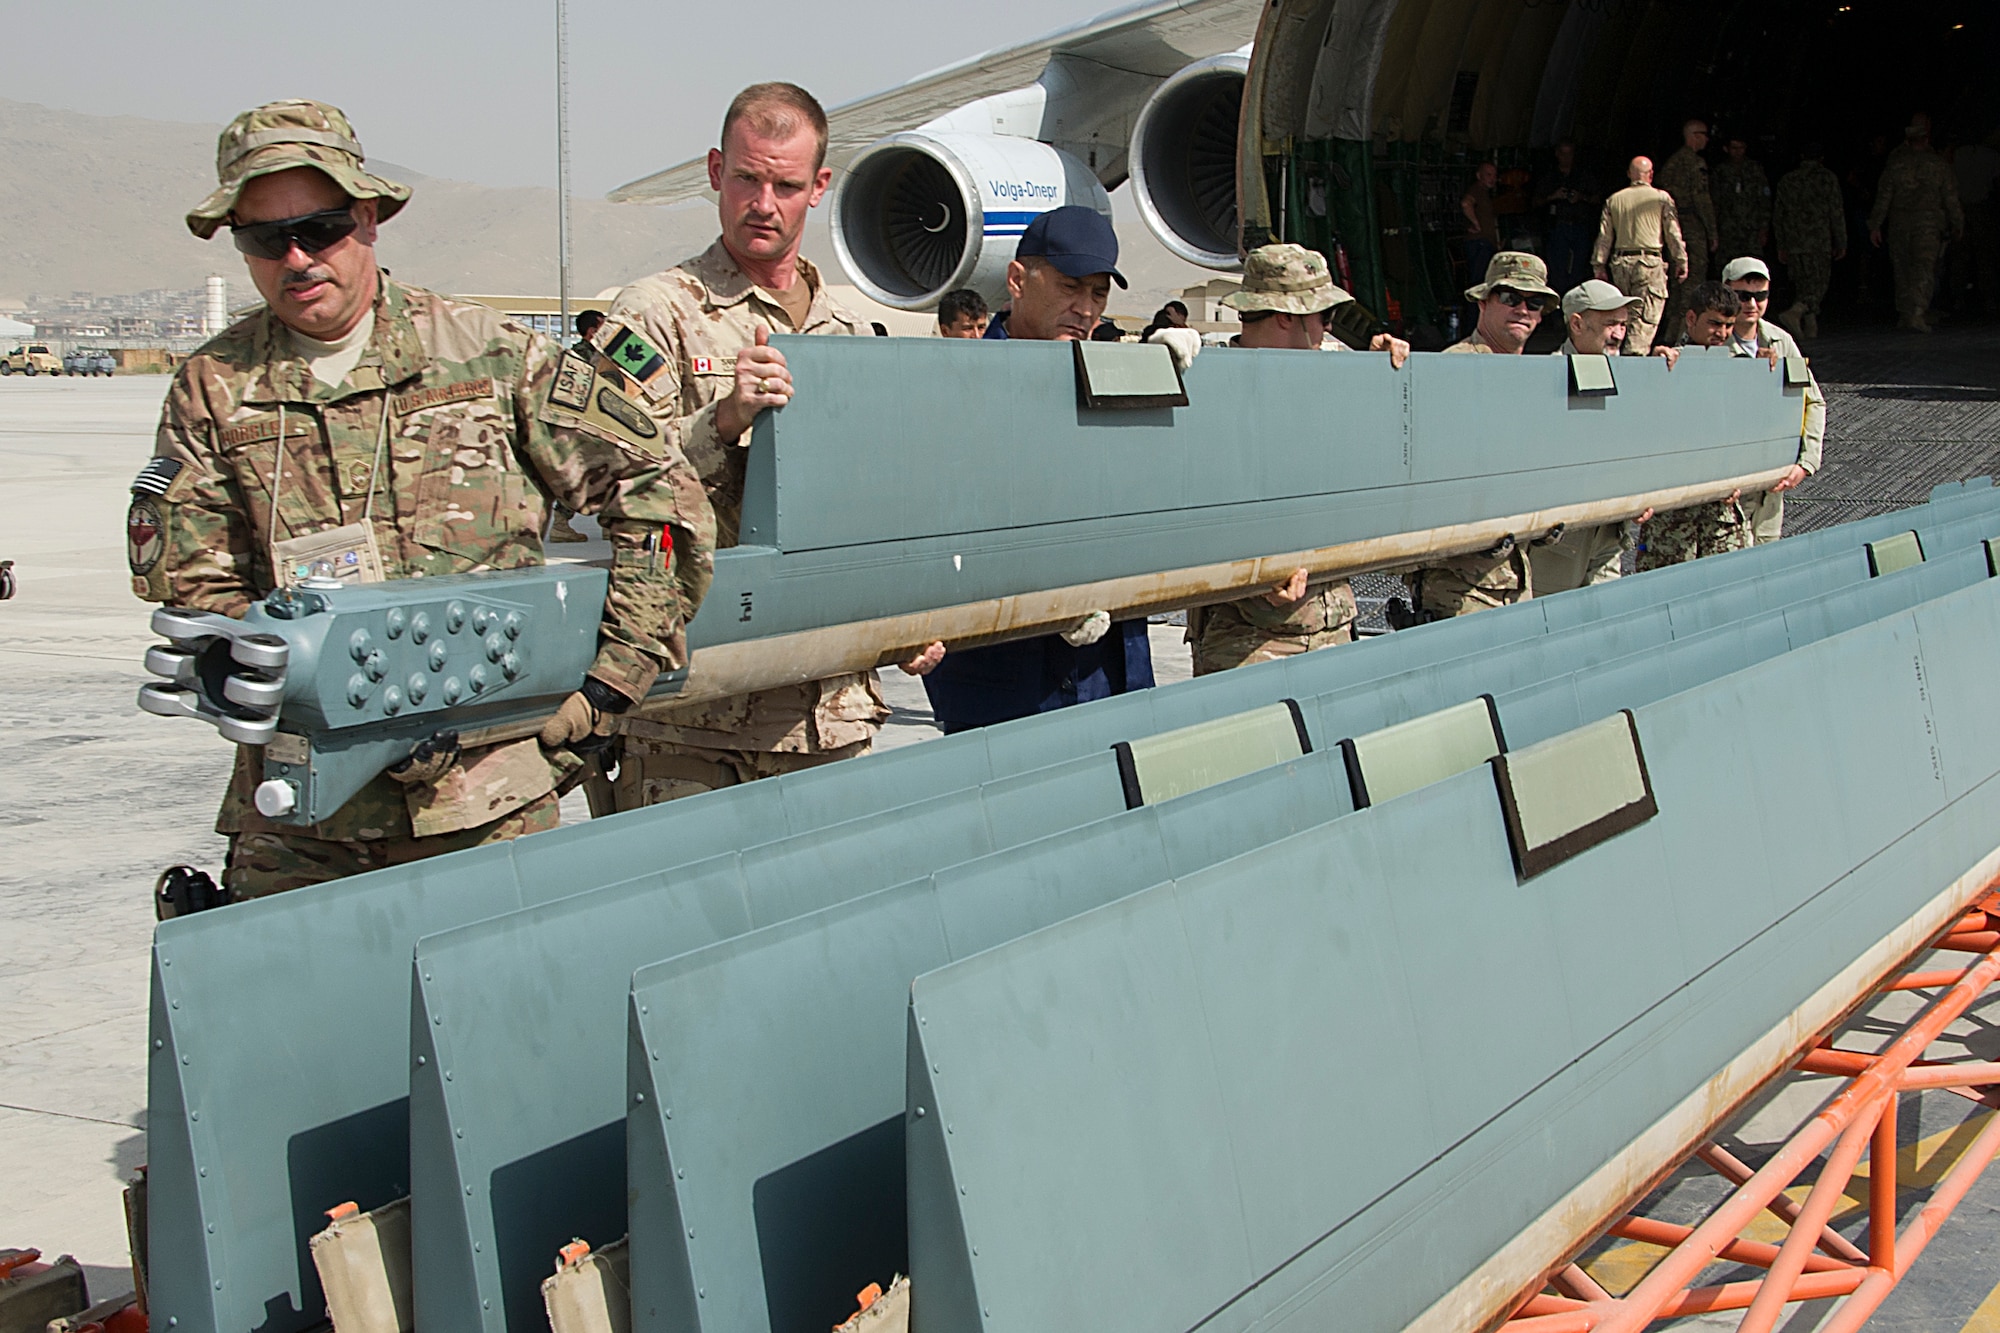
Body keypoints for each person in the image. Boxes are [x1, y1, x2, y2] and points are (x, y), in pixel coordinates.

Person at [136, 100, 715, 897]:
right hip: (303, 820)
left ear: (369, 217)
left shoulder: (490, 357)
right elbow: (195, 585)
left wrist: (613, 680)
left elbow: (657, 493)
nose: (299, 257)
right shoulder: (213, 389)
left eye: (323, 228)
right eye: (268, 239)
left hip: (490, 804)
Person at [593, 83, 940, 806]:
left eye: (785, 185)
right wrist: (720, 421)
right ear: (716, 171)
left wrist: (911, 615)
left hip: (828, 716)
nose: (763, 203)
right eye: (748, 178)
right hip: (695, 718)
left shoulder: (849, 331)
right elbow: (597, 480)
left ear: (818, 188)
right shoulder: (654, 314)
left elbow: (871, 507)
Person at [920, 206, 1155, 730]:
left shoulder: (1117, 383)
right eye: (1071, 286)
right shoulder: (955, 389)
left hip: (1108, 676)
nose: (1085, 308)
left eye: (1098, 294)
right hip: (1003, 682)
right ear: (1018, 279)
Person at [1180, 244, 1409, 675]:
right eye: (1325, 317)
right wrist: (1247, 576)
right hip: (1243, 639)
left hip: (1332, 624)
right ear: (1288, 315)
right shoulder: (1205, 383)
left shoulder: (1334, 369)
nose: (1328, 329)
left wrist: (1382, 371)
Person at [1396, 252, 1559, 621]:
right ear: (1484, 301)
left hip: (1514, 577)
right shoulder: (1452, 371)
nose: (1523, 309)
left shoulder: (1534, 380)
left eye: (1534, 303)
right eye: (1510, 298)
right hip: (1457, 586)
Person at [1534, 281, 1679, 592]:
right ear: (1577, 323)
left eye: (1624, 324)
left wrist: (1660, 372)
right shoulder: (1546, 378)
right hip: (1562, 538)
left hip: (1612, 533)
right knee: (1554, 622)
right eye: (1610, 323)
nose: (1619, 334)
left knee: (1604, 623)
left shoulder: (1630, 373)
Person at [1637, 282, 1751, 569]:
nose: (1722, 333)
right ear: (1691, 319)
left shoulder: (1741, 367)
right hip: (1673, 518)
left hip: (1721, 517)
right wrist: (1652, 374)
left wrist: (1764, 374)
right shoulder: (1665, 363)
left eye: (1728, 325)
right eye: (1714, 323)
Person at [1722, 257, 1822, 542]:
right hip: (1730, 485)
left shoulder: (1781, 341)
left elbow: (1813, 401)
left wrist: (1806, 462)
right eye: (1742, 296)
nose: (1752, 304)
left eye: (1760, 295)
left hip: (1771, 482)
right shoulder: (1708, 340)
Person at [1869, 114, 1966, 333]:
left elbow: (1883, 197)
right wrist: (1958, 222)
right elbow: (1950, 197)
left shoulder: (1895, 165)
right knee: (1924, 269)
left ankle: (1905, 313)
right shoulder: (1938, 165)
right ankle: (1917, 313)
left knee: (1902, 269)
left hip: (1899, 224)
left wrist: (1875, 225)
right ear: (1926, 139)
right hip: (1928, 226)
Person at [1593, 155, 1688, 354]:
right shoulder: (1661, 198)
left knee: (1621, 317)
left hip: (1620, 264)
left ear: (1629, 174)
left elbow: (1604, 236)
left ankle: (1616, 357)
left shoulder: (1614, 200)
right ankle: (1634, 361)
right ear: (1651, 175)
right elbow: (1672, 232)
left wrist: (1599, 265)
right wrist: (1681, 259)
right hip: (1649, 264)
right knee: (1645, 319)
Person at [546, 309, 610, 543]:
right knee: (588, 473)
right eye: (604, 326)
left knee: (602, 472)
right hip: (586, 423)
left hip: (587, 422)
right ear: (592, 332)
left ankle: (605, 524)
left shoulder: (577, 355)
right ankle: (562, 524)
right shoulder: (587, 357)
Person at [1772, 144, 1848, 340]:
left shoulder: (1788, 180)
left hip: (1794, 241)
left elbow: (1779, 215)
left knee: (1804, 283)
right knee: (1818, 284)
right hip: (1819, 240)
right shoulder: (1827, 179)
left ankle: (1810, 324)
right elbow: (1836, 211)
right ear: (1821, 158)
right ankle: (1796, 311)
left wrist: (1781, 243)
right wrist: (1841, 240)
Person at [1659, 120, 1718, 336]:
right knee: (1693, 280)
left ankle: (1671, 331)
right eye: (1703, 134)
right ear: (1693, 136)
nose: (1707, 138)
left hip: (1673, 226)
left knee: (1676, 282)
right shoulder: (1695, 163)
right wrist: (1712, 231)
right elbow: (1702, 200)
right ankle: (1683, 333)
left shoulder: (1671, 163)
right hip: (1692, 225)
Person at [1533, 141, 1600, 292]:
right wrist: (1553, 196)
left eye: (1569, 153)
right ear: (1557, 154)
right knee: (1556, 267)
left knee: (1579, 266)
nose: (1566, 157)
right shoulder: (1550, 176)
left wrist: (1581, 197)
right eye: (1563, 153)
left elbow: (1598, 199)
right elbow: (1535, 202)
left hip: (1580, 225)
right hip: (1558, 226)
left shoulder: (1583, 175)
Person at [1947, 129, 2000, 317]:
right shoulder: (1991, 155)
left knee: (1960, 255)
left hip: (1962, 207)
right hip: (1980, 207)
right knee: (1984, 255)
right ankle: (1988, 297)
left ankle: (1958, 297)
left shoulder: (1957, 155)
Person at [1712, 136, 1771, 267]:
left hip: (1752, 228)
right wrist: (1714, 230)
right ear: (1726, 149)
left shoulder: (1755, 169)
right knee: (1727, 266)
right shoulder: (1720, 171)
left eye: (1741, 148)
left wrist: (1764, 228)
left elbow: (1764, 200)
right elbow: (1715, 201)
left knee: (1752, 265)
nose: (1738, 152)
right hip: (1727, 229)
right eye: (1734, 148)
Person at [1460, 162, 1502, 297]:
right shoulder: (1476, 190)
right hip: (1479, 243)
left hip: (1486, 242)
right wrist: (1476, 223)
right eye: (1488, 175)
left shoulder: (1485, 193)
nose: (1492, 178)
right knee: (1479, 284)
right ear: (1479, 175)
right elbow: (1466, 204)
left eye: (1494, 175)